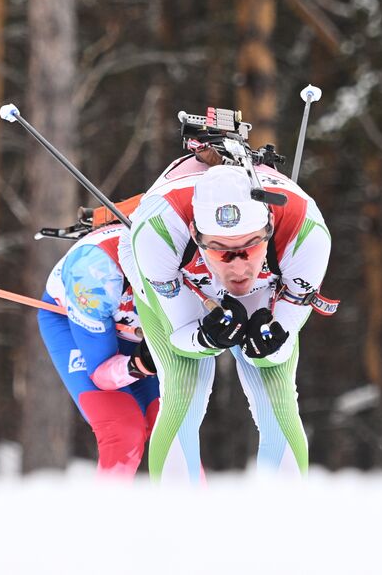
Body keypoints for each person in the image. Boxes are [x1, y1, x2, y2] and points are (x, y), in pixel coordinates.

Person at [118, 161, 334, 483]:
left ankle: (284, 522)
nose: (237, 269)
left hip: (263, 285)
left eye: (250, 248)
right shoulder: (158, 232)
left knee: (276, 391)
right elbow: (182, 337)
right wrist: (206, 339)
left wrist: (269, 343)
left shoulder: (307, 235)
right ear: (195, 233)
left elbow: (279, 351)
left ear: (270, 226)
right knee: (184, 388)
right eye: (221, 251)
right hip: (180, 277)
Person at [36, 222, 160, 478]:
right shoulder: (96, 277)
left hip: (133, 321)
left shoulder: (211, 253)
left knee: (172, 428)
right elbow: (102, 373)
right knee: (123, 431)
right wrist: (139, 365)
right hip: (76, 324)